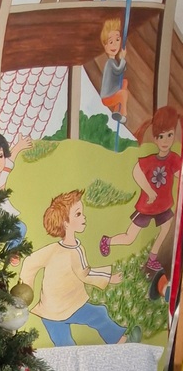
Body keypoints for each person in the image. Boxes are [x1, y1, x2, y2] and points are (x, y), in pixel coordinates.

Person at [19, 188, 138, 345]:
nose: (83, 217)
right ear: (65, 223)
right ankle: (120, 341)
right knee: (98, 316)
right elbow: (85, 274)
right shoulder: (74, 250)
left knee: (69, 341)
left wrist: (25, 290)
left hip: (56, 309)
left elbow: (30, 262)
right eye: (78, 214)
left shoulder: (59, 249)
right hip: (63, 308)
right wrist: (109, 278)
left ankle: (120, 342)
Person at [99, 105, 182, 275]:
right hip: (146, 207)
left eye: (169, 135)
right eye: (161, 136)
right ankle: (108, 241)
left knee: (165, 229)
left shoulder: (173, 159)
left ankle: (152, 259)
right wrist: (149, 191)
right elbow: (136, 172)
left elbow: (178, 174)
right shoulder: (150, 160)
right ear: (155, 139)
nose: (165, 141)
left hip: (163, 206)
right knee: (130, 238)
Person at [99, 18, 128, 123]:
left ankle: (117, 111)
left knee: (124, 82)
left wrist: (121, 61)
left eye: (117, 40)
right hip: (107, 97)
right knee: (123, 94)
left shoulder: (114, 62)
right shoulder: (110, 63)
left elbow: (121, 70)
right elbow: (118, 70)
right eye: (111, 42)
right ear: (105, 46)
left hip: (113, 92)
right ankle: (123, 115)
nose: (115, 44)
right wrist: (122, 59)